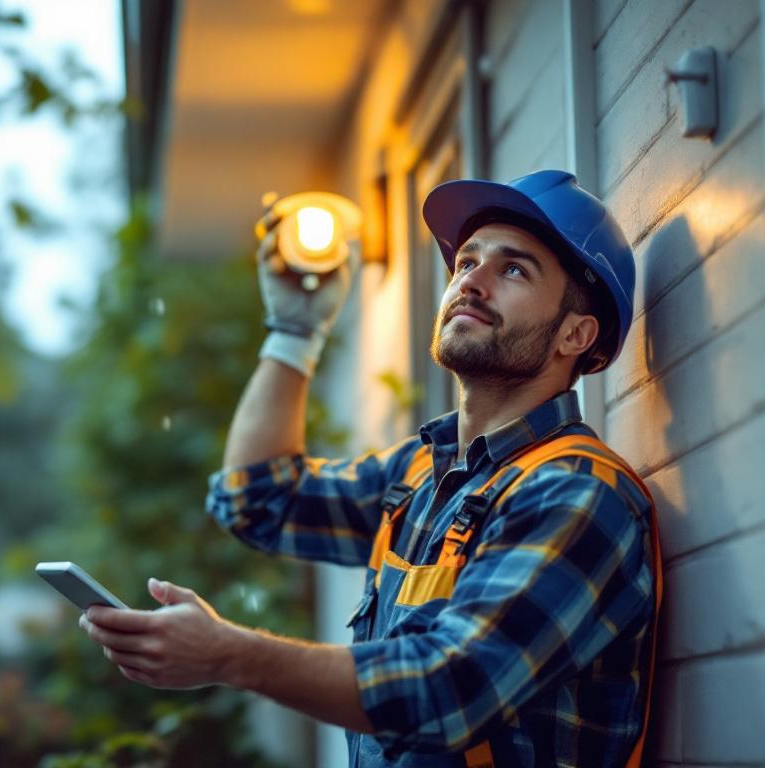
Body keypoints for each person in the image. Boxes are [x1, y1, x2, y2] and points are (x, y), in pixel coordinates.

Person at [78, 170, 661, 768]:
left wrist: (230, 654)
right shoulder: (421, 476)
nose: (471, 282)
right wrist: (294, 331)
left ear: (575, 334)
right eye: (465, 262)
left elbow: (448, 691)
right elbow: (257, 501)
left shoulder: (577, 493)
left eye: (513, 269)